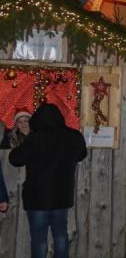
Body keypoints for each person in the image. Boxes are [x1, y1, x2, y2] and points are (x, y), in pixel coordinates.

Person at [9, 103, 87, 258]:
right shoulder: (73, 136)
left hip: (36, 198)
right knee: (61, 237)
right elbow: (81, 155)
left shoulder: (35, 138)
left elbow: (15, 159)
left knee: (39, 240)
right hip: (62, 197)